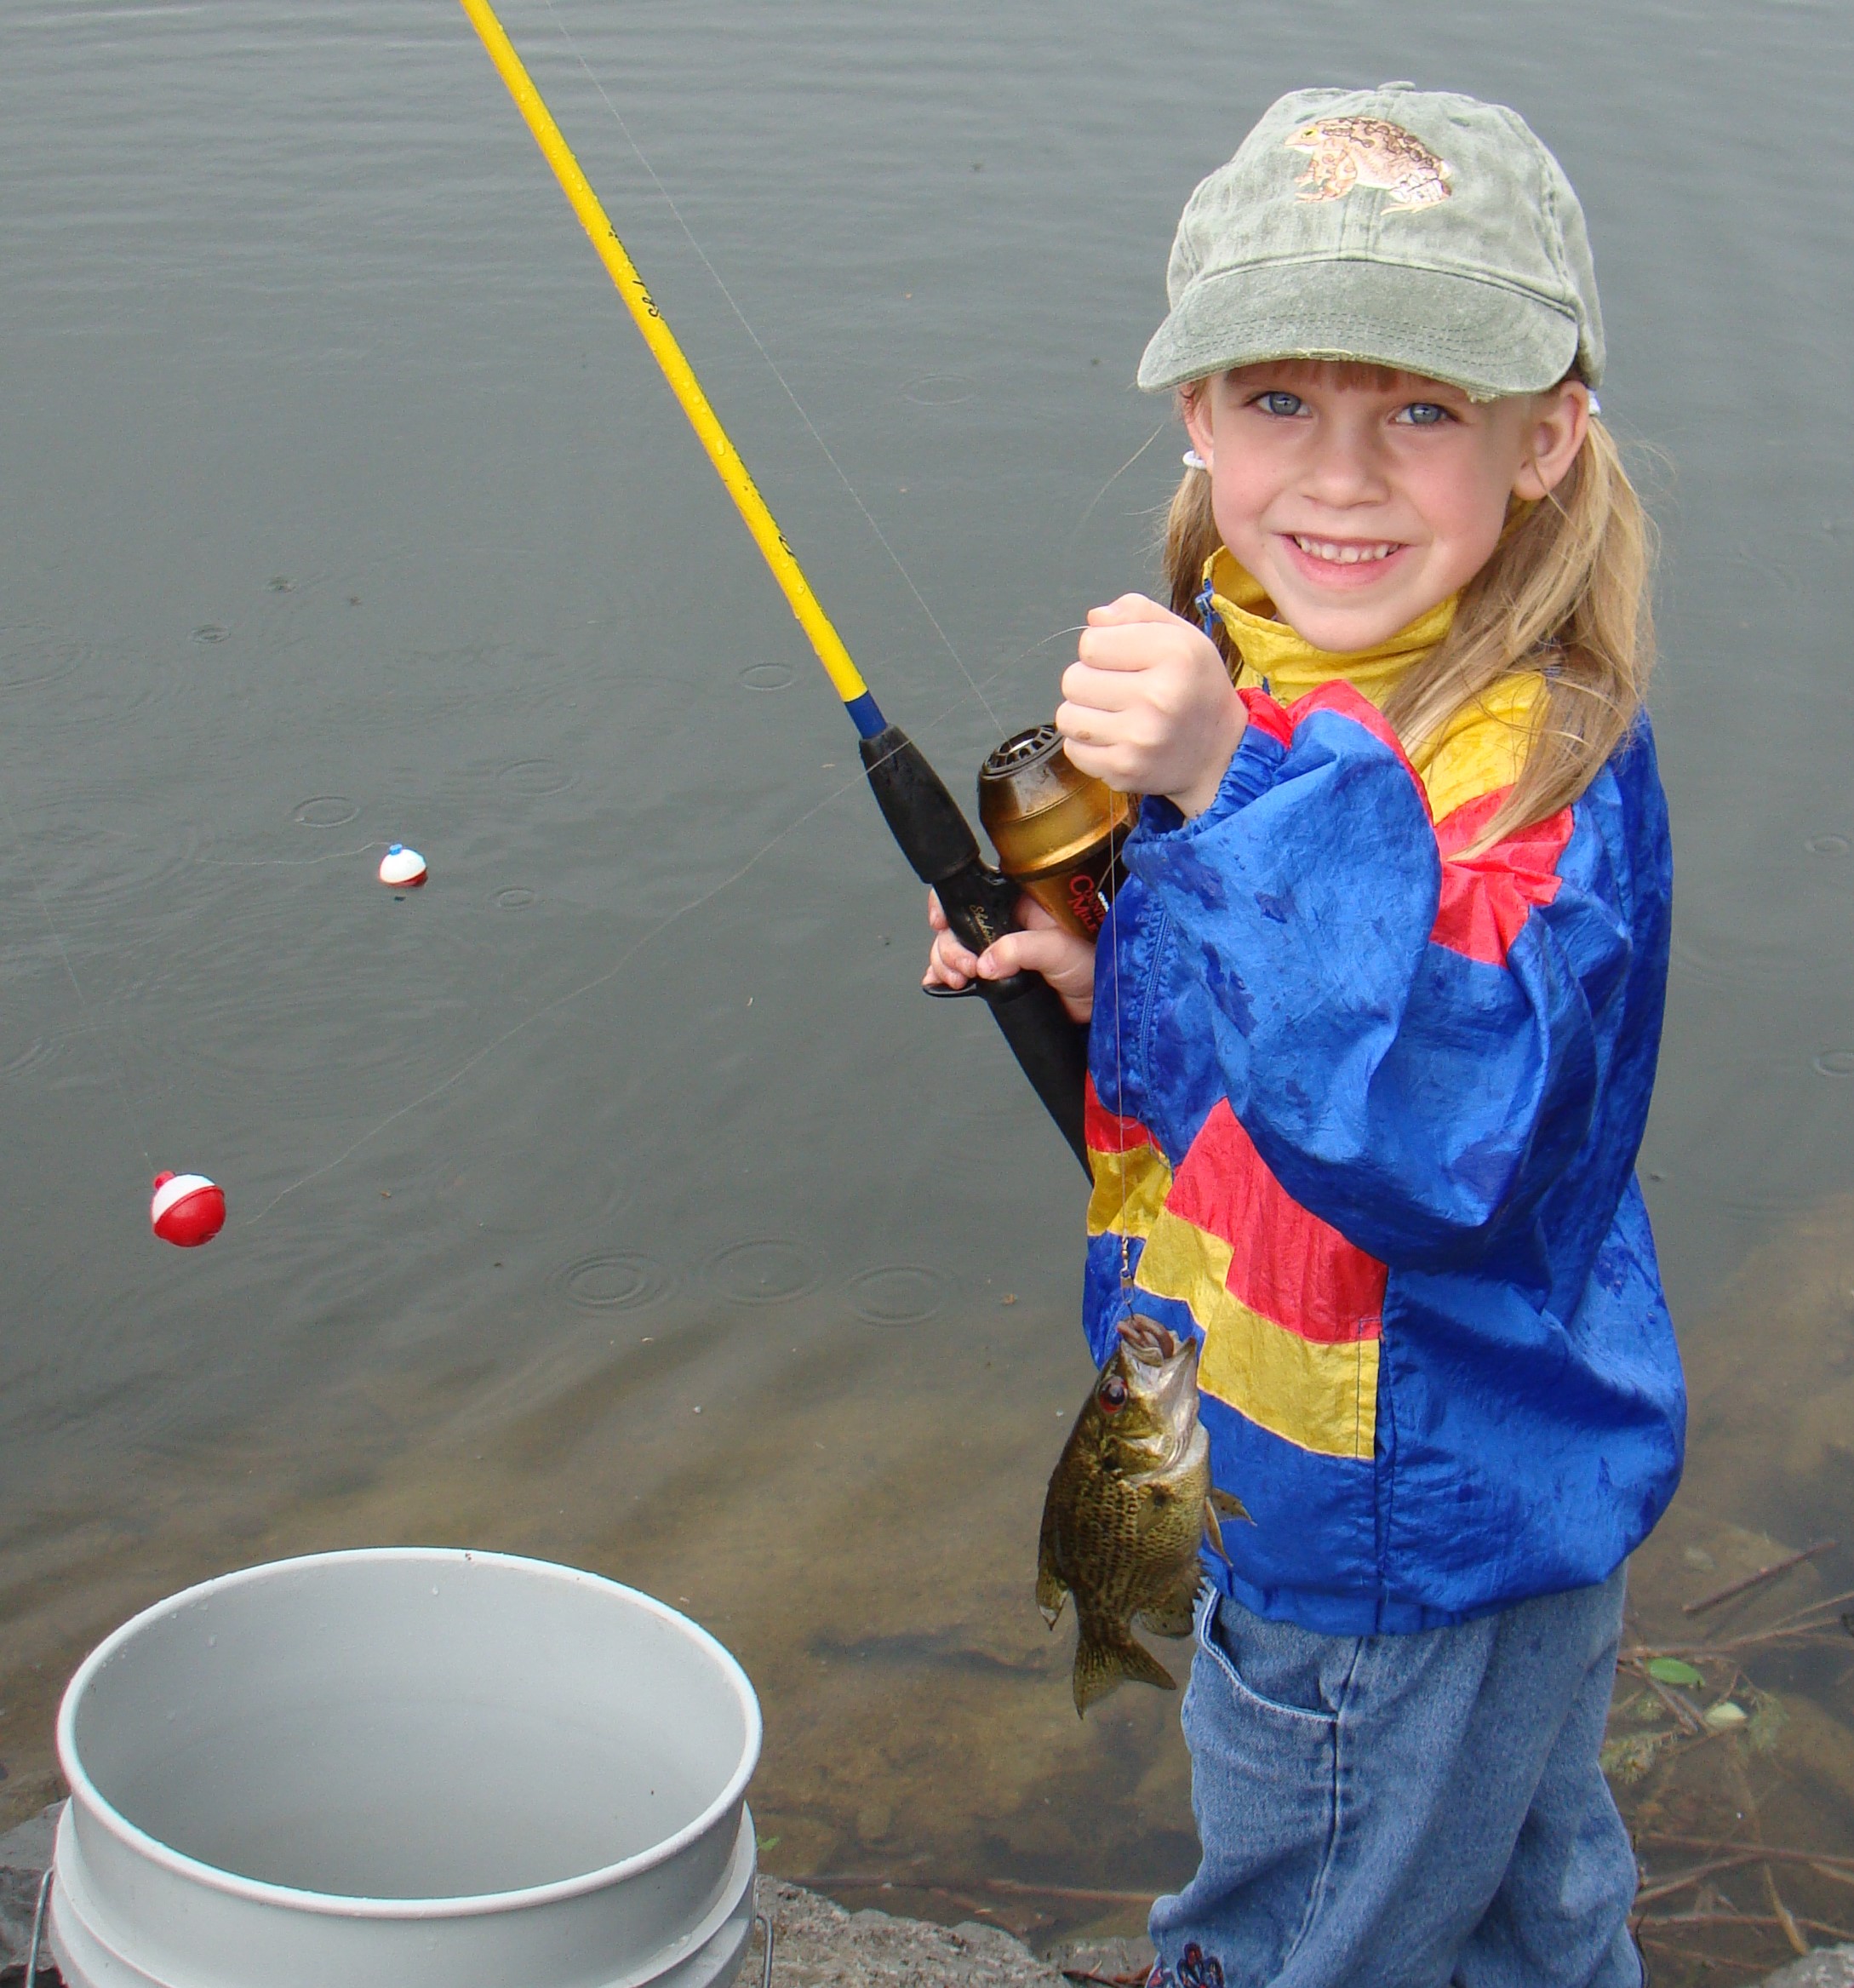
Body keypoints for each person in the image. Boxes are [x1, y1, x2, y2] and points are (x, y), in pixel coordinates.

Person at [925, 84, 1681, 1988]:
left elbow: (1438, 1142)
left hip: (1387, 1522)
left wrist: (1222, 782)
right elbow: (1265, 1045)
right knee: (1517, 1900)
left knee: (1297, 1927)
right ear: (1196, 416)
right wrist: (1105, 975)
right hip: (1390, 1464)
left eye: (1421, 410)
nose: (1338, 478)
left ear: (1545, 437)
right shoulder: (1260, 644)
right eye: (1281, 404)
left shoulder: (1538, 781)